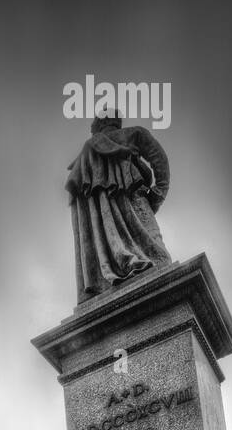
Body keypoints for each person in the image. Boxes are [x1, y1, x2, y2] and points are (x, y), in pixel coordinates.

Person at [66, 112, 171, 304]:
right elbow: (159, 158)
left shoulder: (87, 152)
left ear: (100, 123)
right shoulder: (135, 134)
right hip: (134, 196)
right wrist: (159, 191)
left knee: (157, 256)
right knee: (157, 253)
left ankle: (112, 271)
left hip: (126, 198)